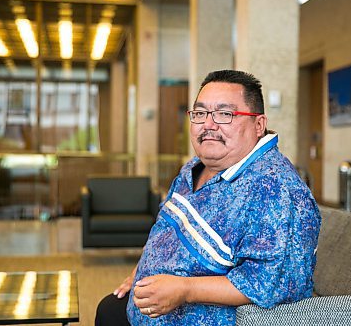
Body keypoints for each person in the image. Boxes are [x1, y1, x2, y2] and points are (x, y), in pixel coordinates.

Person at [95, 70, 321, 326]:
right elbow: (166, 228)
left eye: (225, 114)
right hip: (149, 307)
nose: (208, 125)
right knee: (108, 309)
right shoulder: (194, 167)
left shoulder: (276, 190)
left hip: (201, 318)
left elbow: (269, 285)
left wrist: (185, 290)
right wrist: (140, 271)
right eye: (200, 113)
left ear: (258, 125)